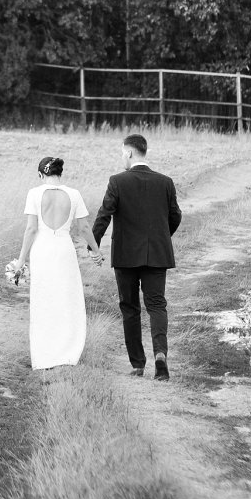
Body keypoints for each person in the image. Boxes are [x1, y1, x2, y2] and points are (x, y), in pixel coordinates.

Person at [92, 134, 182, 380]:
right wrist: (162, 237)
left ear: (130, 153)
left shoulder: (117, 181)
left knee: (130, 307)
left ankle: (138, 364)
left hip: (125, 256)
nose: (122, 157)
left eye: (123, 152)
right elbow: (175, 216)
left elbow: (104, 215)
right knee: (156, 305)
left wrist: (93, 245)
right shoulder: (166, 182)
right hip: (157, 254)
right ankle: (160, 355)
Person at [14, 156, 100, 370]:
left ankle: (45, 354)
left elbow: (31, 229)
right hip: (64, 249)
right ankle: (66, 352)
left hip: (42, 250)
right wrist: (96, 250)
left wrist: (21, 260)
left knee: (44, 298)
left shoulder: (34, 193)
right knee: (66, 297)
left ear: (41, 174)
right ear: (60, 173)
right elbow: (84, 228)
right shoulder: (74, 194)